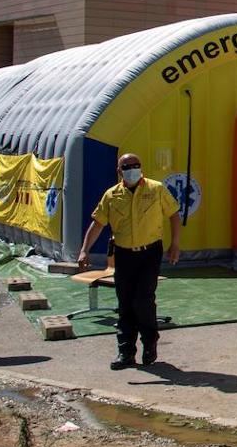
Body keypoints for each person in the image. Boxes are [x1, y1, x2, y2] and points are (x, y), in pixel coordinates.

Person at [77, 153, 181, 370]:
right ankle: (126, 352)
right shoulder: (112, 195)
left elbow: (173, 214)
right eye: (127, 166)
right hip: (124, 255)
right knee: (125, 303)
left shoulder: (156, 189)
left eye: (136, 165)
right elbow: (98, 224)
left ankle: (150, 343)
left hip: (149, 253)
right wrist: (84, 250)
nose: (132, 169)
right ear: (119, 171)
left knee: (143, 300)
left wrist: (175, 244)